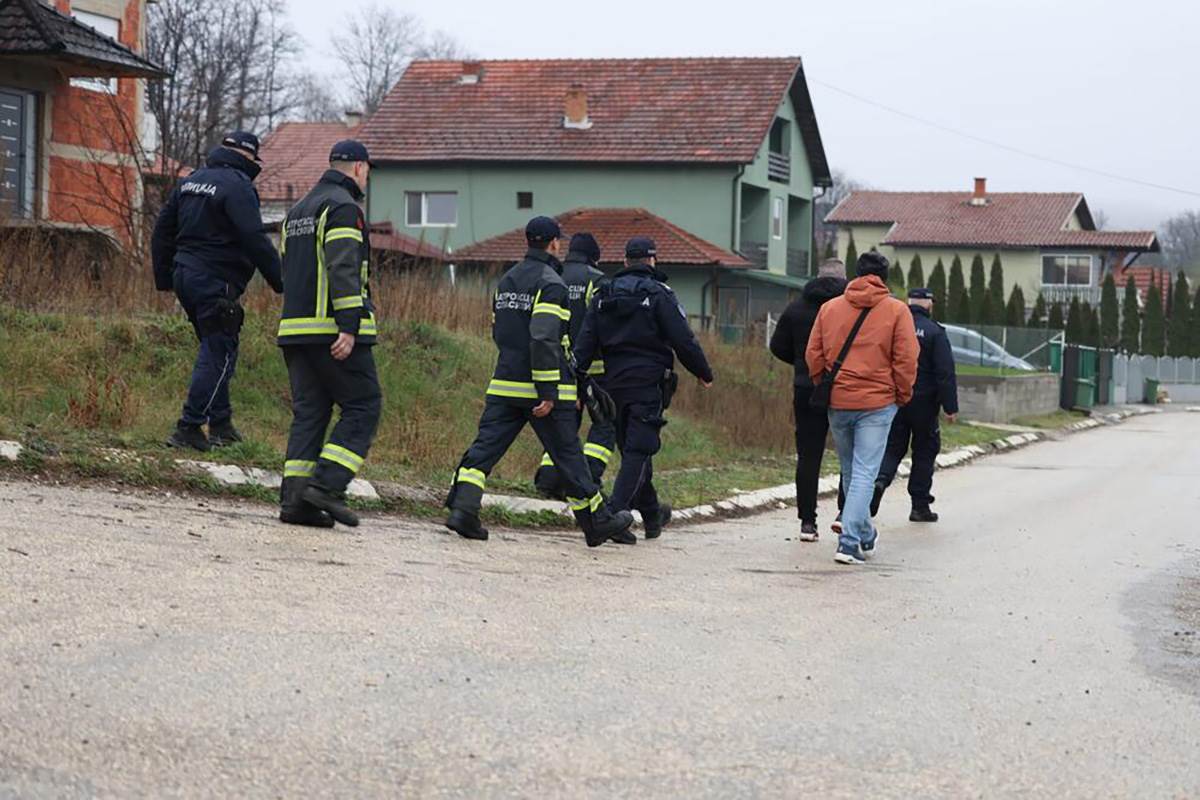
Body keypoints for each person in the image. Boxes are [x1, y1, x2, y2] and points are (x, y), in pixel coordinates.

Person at [444, 217, 635, 547]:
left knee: (483, 451)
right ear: (554, 243)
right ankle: (597, 522)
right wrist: (548, 391)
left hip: (504, 384)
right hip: (542, 391)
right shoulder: (551, 283)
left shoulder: (507, 280)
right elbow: (545, 338)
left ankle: (463, 509)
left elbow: (499, 332)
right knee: (570, 458)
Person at [574, 236, 714, 540]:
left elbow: (584, 344)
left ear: (625, 262)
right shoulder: (660, 293)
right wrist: (703, 372)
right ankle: (612, 516)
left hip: (611, 385)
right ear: (652, 261)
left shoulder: (603, 294)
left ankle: (651, 515)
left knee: (634, 450)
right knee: (638, 450)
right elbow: (683, 339)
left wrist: (576, 384)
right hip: (648, 384)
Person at [152, 130, 282, 451]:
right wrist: (282, 281)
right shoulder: (238, 186)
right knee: (219, 351)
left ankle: (221, 424)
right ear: (249, 158)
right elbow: (254, 238)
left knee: (217, 347)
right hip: (215, 278)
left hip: (185, 275)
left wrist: (165, 278)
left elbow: (161, 231)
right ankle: (189, 426)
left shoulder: (190, 181)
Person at [276, 140, 381, 529]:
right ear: (357, 168)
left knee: (310, 414)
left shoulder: (298, 210)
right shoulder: (343, 208)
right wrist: (349, 326)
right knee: (363, 405)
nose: (368, 176)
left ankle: (296, 503)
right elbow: (343, 268)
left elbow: (288, 269)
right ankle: (327, 486)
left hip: (295, 331)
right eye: (368, 169)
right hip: (331, 331)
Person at [806, 251, 918, 565]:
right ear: (884, 276)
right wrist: (902, 394)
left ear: (856, 274)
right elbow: (907, 359)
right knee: (865, 473)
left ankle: (865, 534)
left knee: (852, 471)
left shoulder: (829, 308)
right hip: (878, 402)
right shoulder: (897, 311)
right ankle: (848, 542)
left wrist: (823, 383)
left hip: (838, 400)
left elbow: (813, 353)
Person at [533, 232, 617, 499]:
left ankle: (548, 478)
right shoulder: (598, 280)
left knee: (565, 424)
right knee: (605, 421)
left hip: (557, 365)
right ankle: (589, 475)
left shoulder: (553, 276)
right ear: (594, 256)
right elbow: (605, 326)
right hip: (595, 369)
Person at [769, 258, 847, 542]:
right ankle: (843, 514)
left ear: (817, 277)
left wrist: (802, 364)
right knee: (848, 455)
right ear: (844, 279)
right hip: (844, 388)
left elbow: (777, 346)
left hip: (806, 387)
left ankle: (807, 522)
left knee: (809, 456)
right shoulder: (851, 309)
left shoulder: (797, 308)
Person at [874, 287, 959, 522]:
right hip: (924, 403)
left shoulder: (892, 327)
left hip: (894, 399)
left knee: (893, 447)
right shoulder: (935, 332)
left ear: (908, 302)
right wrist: (950, 406)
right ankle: (919, 506)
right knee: (924, 452)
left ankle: (880, 481)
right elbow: (945, 372)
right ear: (929, 304)